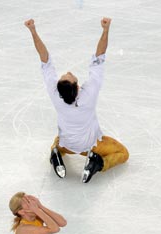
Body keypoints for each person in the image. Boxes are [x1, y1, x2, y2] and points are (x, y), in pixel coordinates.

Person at [24, 17, 129, 183]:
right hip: (91, 146)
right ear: (78, 87)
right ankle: (98, 163)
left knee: (56, 143)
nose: (69, 71)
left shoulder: (55, 95)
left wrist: (33, 31)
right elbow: (99, 57)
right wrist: (105, 30)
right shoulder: (88, 95)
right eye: (70, 75)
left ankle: (55, 154)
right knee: (123, 153)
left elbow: (44, 59)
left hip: (67, 145)